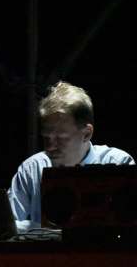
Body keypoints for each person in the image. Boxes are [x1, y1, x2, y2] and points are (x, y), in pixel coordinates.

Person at [8, 81, 134, 231]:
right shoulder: (31, 169)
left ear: (86, 133)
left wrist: (39, 229)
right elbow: (6, 225)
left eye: (60, 138)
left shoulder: (119, 164)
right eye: (46, 138)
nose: (50, 147)